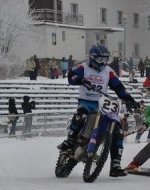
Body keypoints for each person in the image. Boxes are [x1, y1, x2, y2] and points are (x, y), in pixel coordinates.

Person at [57, 44, 138, 177]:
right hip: (86, 102)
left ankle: (115, 164)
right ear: (93, 58)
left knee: (117, 128)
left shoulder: (108, 71)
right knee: (81, 114)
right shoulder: (84, 67)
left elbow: (118, 86)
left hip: (102, 103)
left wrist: (129, 99)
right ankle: (70, 140)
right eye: (100, 59)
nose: (103, 62)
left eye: (105, 60)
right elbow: (71, 77)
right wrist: (81, 79)